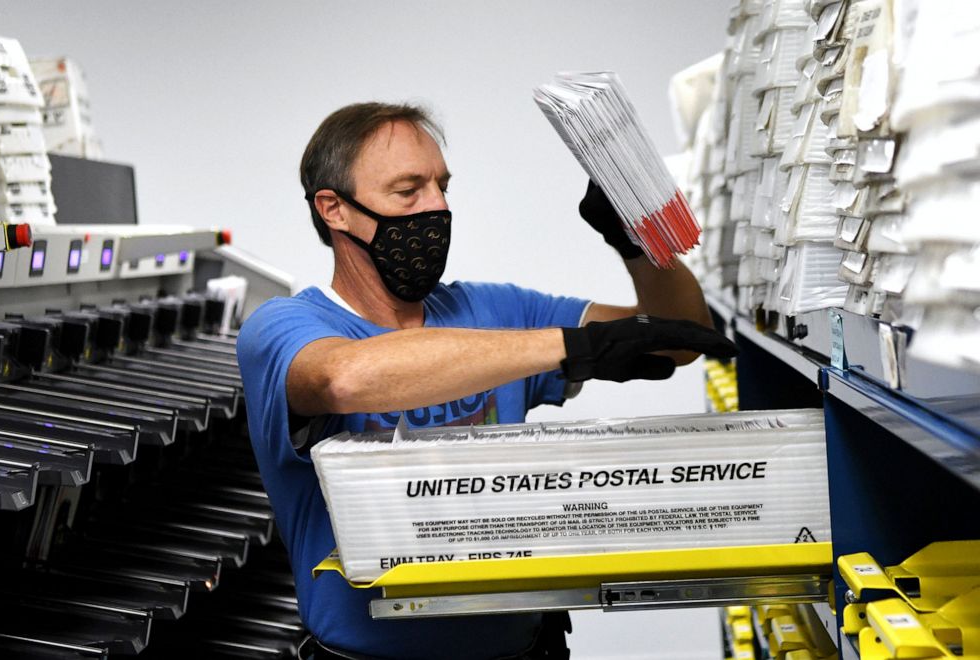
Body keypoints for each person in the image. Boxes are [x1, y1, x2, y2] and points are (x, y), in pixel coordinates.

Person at [236, 102, 736, 660]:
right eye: (409, 191)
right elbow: (344, 378)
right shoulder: (283, 327)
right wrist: (568, 345)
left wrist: (638, 241)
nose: (438, 207)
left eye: (442, 186)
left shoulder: (495, 309)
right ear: (334, 209)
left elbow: (681, 336)